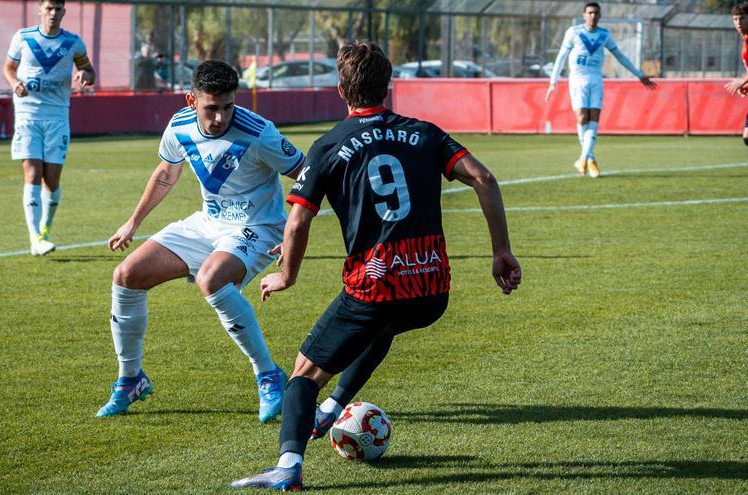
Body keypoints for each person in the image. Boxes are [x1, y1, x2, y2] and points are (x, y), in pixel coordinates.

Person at [231, 41, 521, 491]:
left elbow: (298, 220)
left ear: (341, 89)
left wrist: (287, 275)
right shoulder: (425, 133)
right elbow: (484, 178)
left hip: (375, 285)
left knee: (304, 373)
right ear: (387, 87)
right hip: (431, 290)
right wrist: (500, 250)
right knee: (383, 327)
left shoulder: (329, 145)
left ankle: (288, 467)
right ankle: (333, 409)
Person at [96, 60, 305, 421]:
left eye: (228, 106)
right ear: (191, 100)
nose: (221, 117)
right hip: (207, 223)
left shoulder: (259, 132)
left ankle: (268, 375)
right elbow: (165, 174)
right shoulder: (179, 126)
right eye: (212, 108)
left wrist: (293, 234)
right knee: (127, 275)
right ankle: (131, 379)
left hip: (258, 226)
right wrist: (133, 222)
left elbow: (306, 174)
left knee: (212, 279)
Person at [3, 0, 95, 256]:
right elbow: (9, 68)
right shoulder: (23, 37)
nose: (53, 13)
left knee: (51, 179)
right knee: (32, 173)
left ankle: (44, 229)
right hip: (28, 115)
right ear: (40, 10)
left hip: (57, 117)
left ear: (64, 12)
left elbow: (88, 69)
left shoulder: (73, 42)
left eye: (58, 9)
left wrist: (86, 75)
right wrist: (15, 84)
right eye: (49, 8)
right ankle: (35, 239)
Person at [545, 1, 656, 178]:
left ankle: (583, 159)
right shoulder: (574, 32)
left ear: (600, 15)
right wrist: (553, 82)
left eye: (596, 13)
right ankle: (589, 159)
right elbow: (561, 57)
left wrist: (639, 74)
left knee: (594, 118)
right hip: (577, 80)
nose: (593, 16)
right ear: (584, 15)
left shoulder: (604, 35)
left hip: (596, 80)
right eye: (589, 13)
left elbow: (620, 56)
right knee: (582, 117)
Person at [724, 2, 748, 146]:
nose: (738, 23)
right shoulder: (745, 39)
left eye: (742, 18)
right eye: (735, 19)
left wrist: (742, 81)